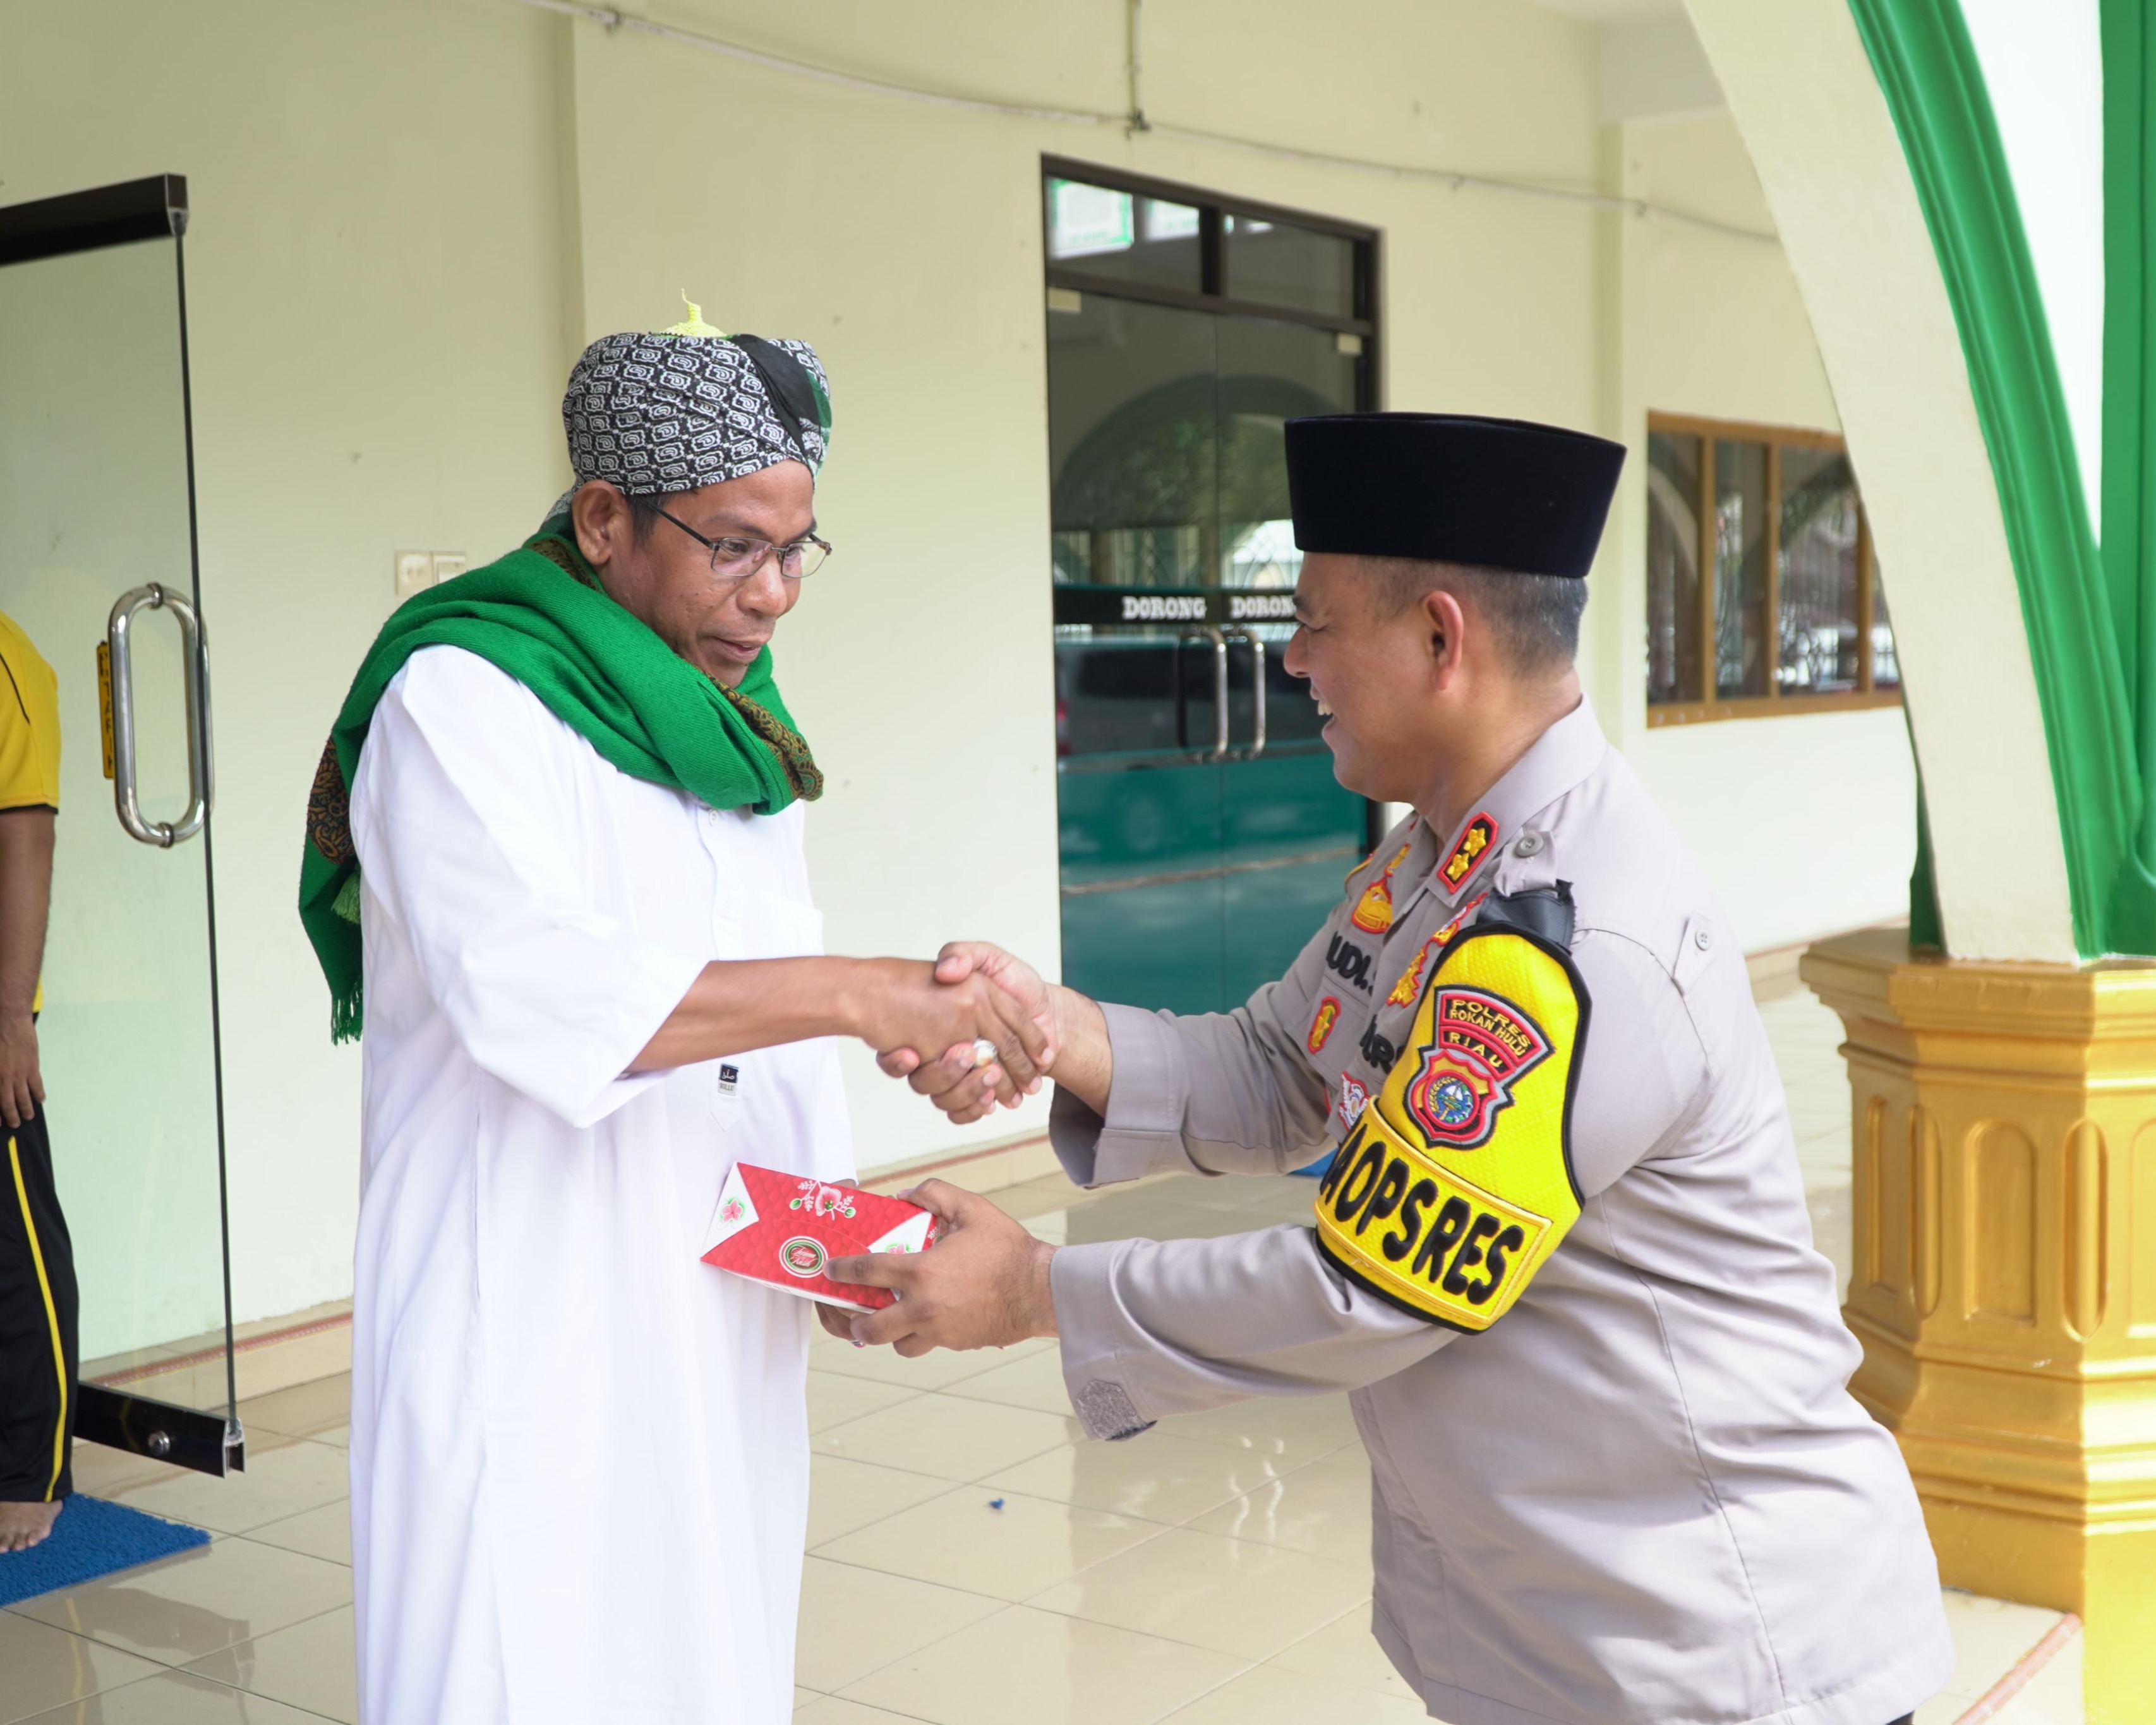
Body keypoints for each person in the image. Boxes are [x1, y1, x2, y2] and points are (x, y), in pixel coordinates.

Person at [838, 414, 1951, 1725]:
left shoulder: (1572, 933)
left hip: (1709, 1647)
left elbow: (1376, 1280)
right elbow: (1283, 1064)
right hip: (1555, 1621)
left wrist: (1034, 1289)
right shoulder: (1439, 860)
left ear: (1440, 637)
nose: (1291, 659)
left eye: (1313, 621)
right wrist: (1052, 1021)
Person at [298, 305, 1050, 1725]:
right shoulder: (459, 699)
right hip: (531, 1299)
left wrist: (833, 1238)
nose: (773, 595)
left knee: (708, 1648)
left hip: (714, 1293)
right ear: (602, 517)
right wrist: (855, 992)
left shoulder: (727, 731)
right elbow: (538, 995)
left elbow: (744, 1035)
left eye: (795, 547)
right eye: (733, 543)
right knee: (525, 1653)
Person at [0, 606, 73, 1554]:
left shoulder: (9, 660)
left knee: (12, 1241)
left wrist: (11, 1019)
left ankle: (31, 1469)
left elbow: (25, 834)